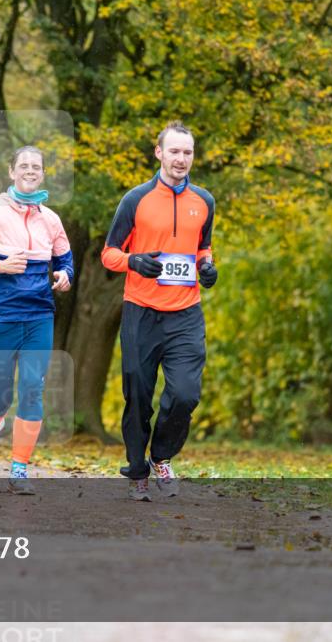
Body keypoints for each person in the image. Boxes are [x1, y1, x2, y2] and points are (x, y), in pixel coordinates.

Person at [100, 121, 217, 501]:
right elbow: (109, 253)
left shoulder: (205, 202)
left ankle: (162, 456)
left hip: (185, 313)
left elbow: (203, 248)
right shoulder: (135, 200)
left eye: (188, 152)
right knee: (138, 394)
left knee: (185, 394)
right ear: (159, 153)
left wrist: (207, 267)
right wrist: (134, 261)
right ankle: (137, 470)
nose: (181, 159)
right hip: (141, 312)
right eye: (174, 151)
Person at [0, 146, 74, 495]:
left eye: (36, 166)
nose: (30, 171)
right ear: (11, 171)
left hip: (38, 314)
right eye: (23, 165)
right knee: (0, 393)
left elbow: (66, 260)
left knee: (33, 386)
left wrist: (65, 276)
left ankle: (19, 468)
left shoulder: (50, 219)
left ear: (43, 173)